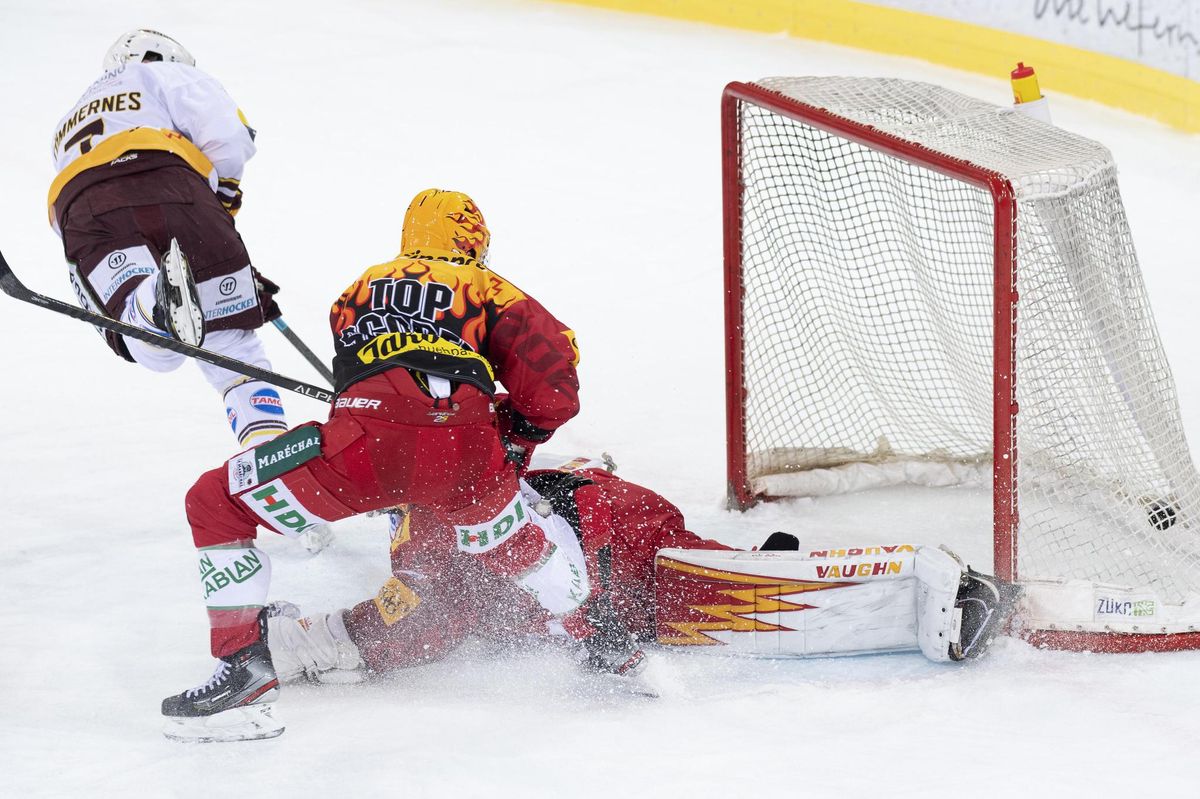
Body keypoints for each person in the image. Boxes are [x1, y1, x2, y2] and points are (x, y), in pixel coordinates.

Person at [160, 188, 584, 742]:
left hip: (364, 445)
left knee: (214, 501)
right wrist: (515, 436)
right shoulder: (490, 287)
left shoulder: (354, 292)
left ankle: (243, 672)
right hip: (468, 458)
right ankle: (599, 636)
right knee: (513, 545)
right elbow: (555, 384)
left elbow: (363, 383)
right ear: (473, 240)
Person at [263, 455, 1015, 693]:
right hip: (614, 514)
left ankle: (929, 593)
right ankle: (777, 569)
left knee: (685, 592)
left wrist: (302, 640)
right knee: (699, 569)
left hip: (600, 557)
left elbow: (408, 621)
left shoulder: (423, 538)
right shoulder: (457, 455)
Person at [50, 29, 291, 449]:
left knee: (146, 343)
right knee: (230, 334)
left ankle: (149, 304)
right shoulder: (165, 73)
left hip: (86, 211)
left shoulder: (65, 121)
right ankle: (270, 449)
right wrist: (221, 208)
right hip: (172, 185)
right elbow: (227, 133)